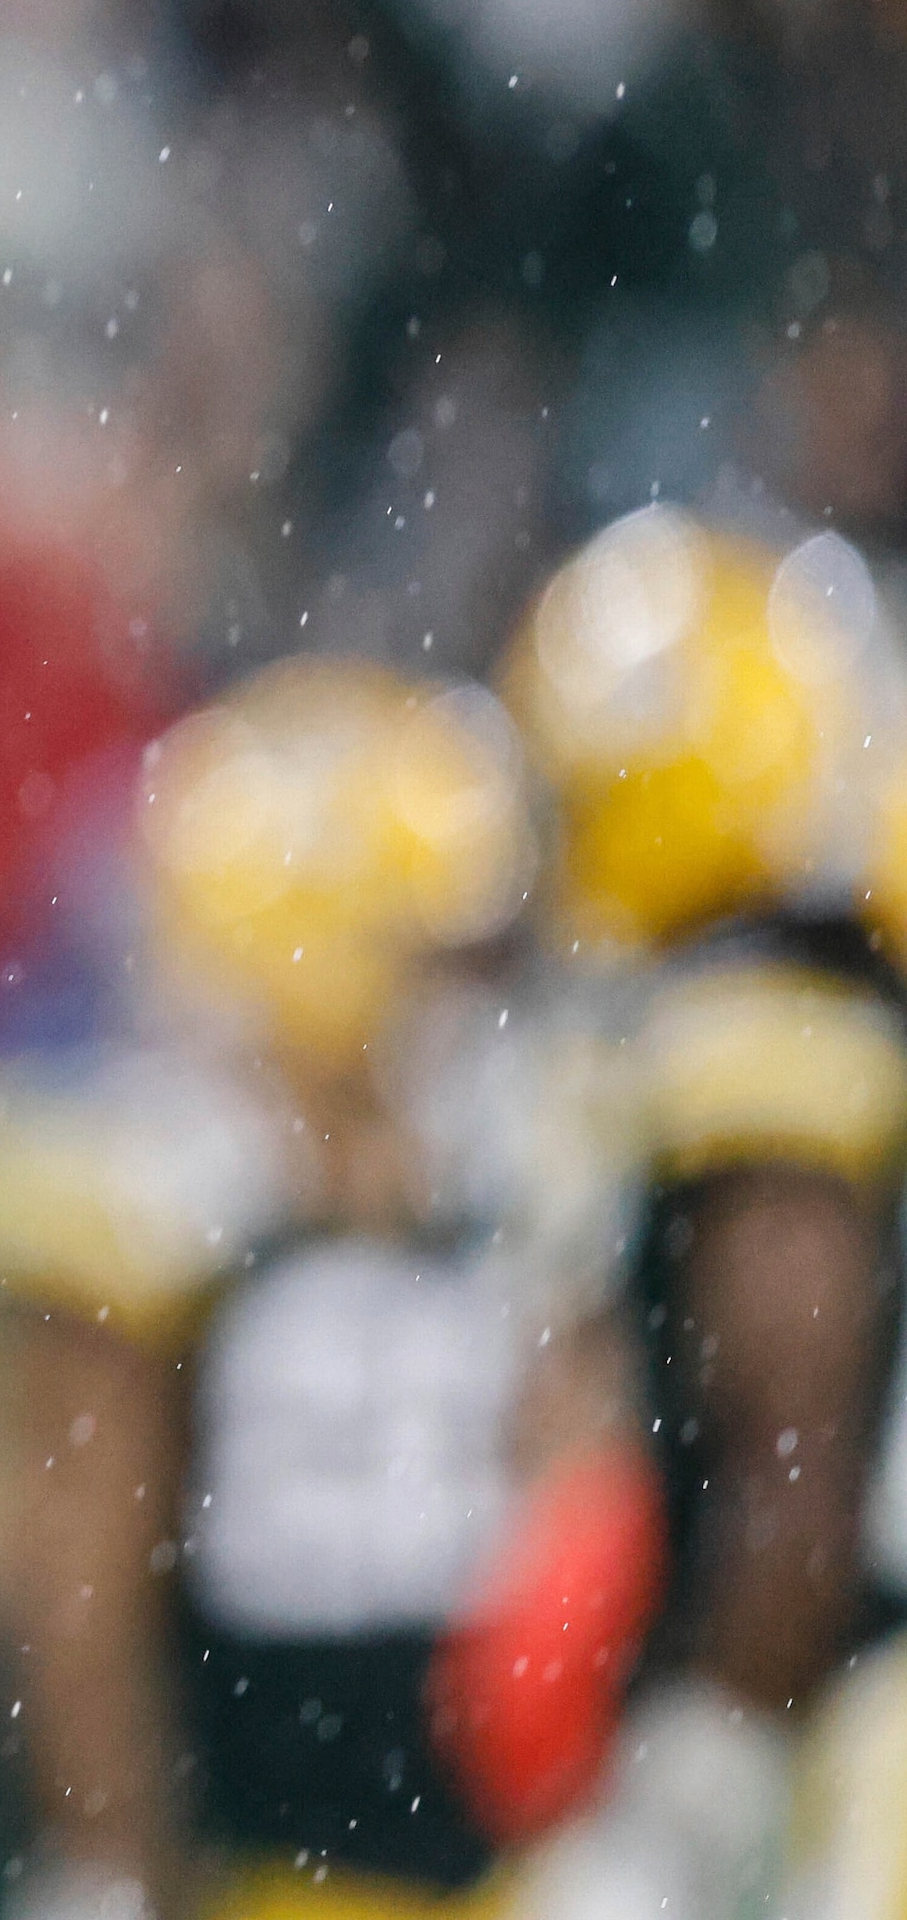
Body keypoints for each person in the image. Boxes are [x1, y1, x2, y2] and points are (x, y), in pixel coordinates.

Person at [0, 657, 647, 1920]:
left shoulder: (512, 1169)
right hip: (273, 1867)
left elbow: (584, 1503)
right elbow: (78, 1594)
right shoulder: (168, 1195)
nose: (470, 996)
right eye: (437, 951)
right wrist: (108, 1853)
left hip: (496, 1859)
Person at [500, 508, 907, 1920]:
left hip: (848, 1732)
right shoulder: (824, 1003)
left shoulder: (764, 1035)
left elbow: (799, 1448)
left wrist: (708, 1752)